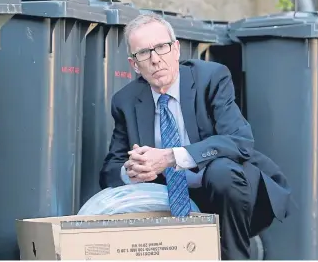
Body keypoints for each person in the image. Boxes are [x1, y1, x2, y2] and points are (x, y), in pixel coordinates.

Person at [99, 13, 292, 260]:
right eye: (144, 53)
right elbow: (109, 172)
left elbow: (240, 141)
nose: (156, 59)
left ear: (176, 49)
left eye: (162, 47)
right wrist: (133, 170)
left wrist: (171, 157)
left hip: (226, 193)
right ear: (135, 65)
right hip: (170, 200)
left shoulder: (211, 78)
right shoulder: (126, 101)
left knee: (222, 171)